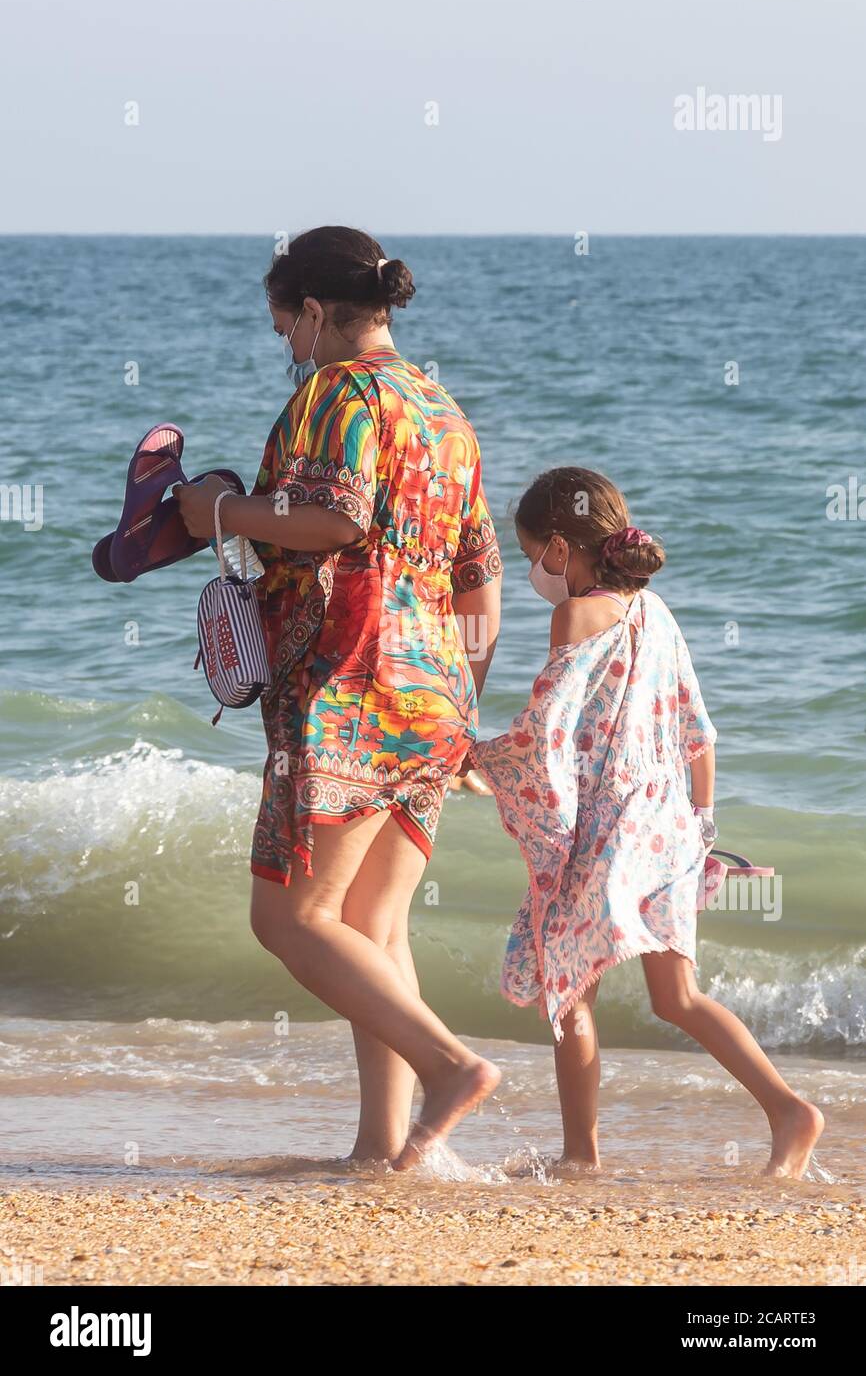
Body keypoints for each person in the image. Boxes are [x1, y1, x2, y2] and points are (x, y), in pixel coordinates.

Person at [175, 226, 503, 1167]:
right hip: (432, 691)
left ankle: (450, 1067)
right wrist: (461, 707)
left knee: (289, 919)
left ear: (315, 313)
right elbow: (479, 578)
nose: (287, 348)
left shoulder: (336, 389)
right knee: (372, 926)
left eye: (286, 328)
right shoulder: (444, 412)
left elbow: (337, 518)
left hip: (346, 688)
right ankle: (380, 1147)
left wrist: (219, 514)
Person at [471, 466, 824, 1179]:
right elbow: (701, 732)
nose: (533, 570)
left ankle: (580, 1154)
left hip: (612, 825)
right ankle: (790, 1110)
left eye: (532, 552)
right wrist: (700, 826)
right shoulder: (656, 612)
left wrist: (473, 758)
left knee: (568, 988)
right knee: (679, 997)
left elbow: (548, 732)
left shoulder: (574, 616)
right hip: (670, 823)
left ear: (562, 549)